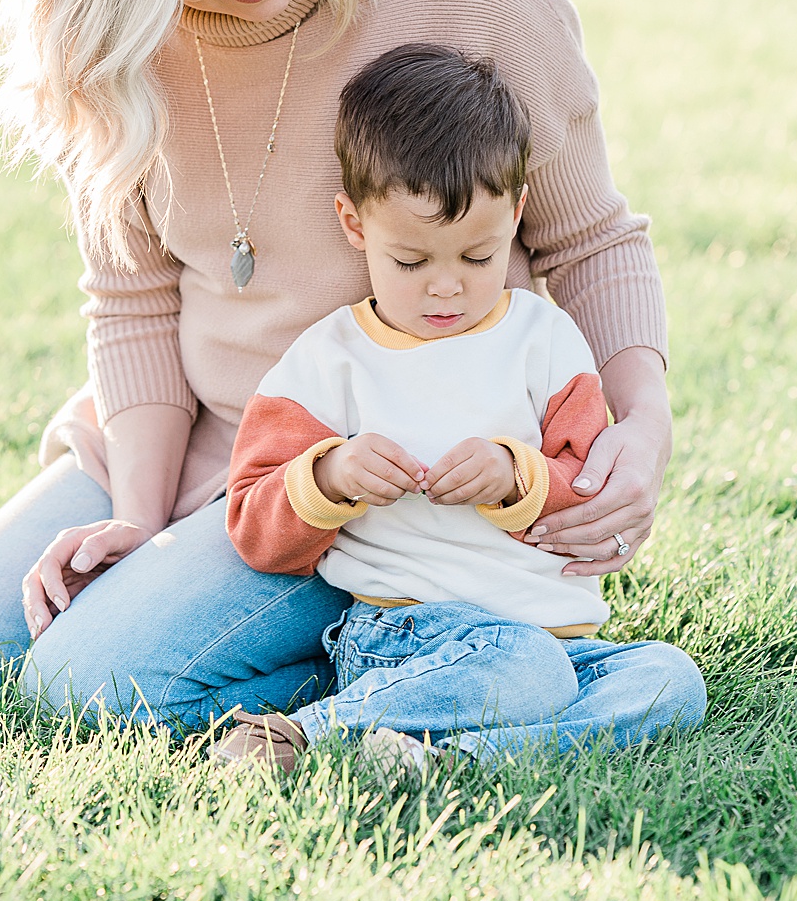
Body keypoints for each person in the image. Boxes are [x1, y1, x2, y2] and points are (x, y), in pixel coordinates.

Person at [0, 0, 678, 732]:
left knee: (83, 689)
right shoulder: (113, 49)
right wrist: (138, 508)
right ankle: (390, 657)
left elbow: (590, 236)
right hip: (198, 435)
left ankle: (429, 648)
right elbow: (130, 302)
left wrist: (644, 422)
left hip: (376, 466)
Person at [215, 45, 705, 771]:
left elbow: (588, 486)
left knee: (669, 679)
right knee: (526, 669)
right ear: (354, 224)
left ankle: (460, 758)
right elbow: (252, 523)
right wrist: (331, 476)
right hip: (407, 634)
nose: (446, 289)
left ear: (517, 214)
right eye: (411, 262)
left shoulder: (545, 341)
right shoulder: (328, 361)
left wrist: (518, 479)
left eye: (478, 258)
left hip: (558, 640)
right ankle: (308, 735)